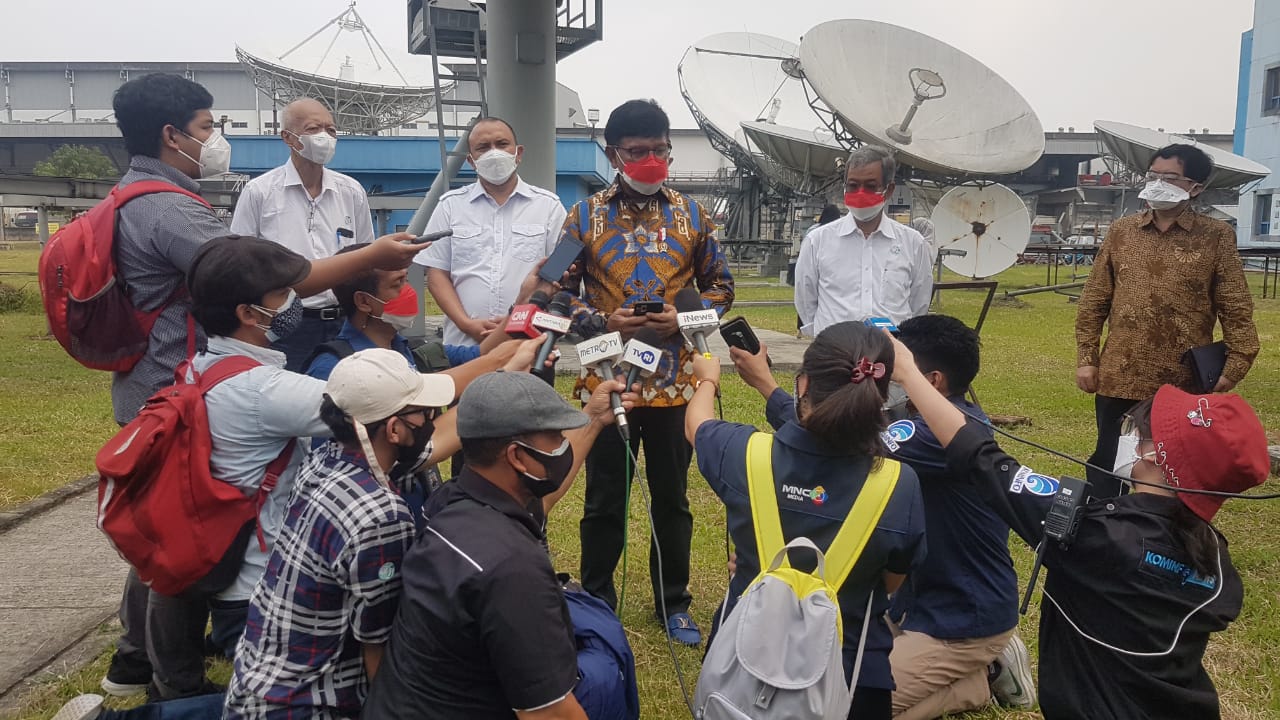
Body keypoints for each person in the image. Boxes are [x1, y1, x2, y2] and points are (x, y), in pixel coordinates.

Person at [103, 74, 425, 700]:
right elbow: (249, 274)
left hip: (206, 368)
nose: (215, 137)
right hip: (204, 376)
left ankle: (158, 669)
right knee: (184, 527)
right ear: (172, 135)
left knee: (182, 519)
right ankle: (169, 681)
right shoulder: (176, 208)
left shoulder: (159, 196)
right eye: (205, 127)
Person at [891, 334, 1267, 720]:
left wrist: (906, 372)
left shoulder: (1095, 535)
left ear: (1155, 455)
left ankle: (978, 683)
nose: (1131, 434)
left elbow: (980, 458)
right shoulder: (1216, 563)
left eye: (1141, 430)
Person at [731, 314, 1033, 718]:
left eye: (893, 366)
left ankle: (981, 676)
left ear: (932, 380)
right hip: (910, 605)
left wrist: (767, 384)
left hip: (960, 621)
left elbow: (833, 439)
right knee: (814, 681)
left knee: (843, 704)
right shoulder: (925, 422)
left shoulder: (936, 438)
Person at [559, 99, 735, 645]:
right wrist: (597, 320)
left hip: (678, 383)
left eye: (660, 149)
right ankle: (596, 599)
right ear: (613, 154)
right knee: (603, 498)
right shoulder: (582, 217)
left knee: (672, 498)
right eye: (638, 152)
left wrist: (683, 318)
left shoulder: (694, 215)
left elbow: (723, 290)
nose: (652, 160)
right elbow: (551, 292)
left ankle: (673, 601)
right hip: (607, 381)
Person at [362, 370, 636, 719]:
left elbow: (542, 502)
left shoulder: (450, 502)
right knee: (602, 667)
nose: (562, 445)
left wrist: (594, 420)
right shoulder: (513, 568)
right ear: (517, 458)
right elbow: (550, 714)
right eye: (554, 436)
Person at [687, 322, 926, 719]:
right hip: (853, 679)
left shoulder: (746, 454)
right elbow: (889, 582)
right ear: (880, 396)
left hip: (741, 666)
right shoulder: (899, 485)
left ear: (802, 384)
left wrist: (708, 382)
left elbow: (697, 427)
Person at [1075, 143, 1258, 499]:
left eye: (1170, 177)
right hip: (1119, 372)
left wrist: (1236, 364)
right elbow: (1095, 299)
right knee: (1107, 459)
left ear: (1195, 187)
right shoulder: (1121, 231)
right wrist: (1087, 358)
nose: (1158, 183)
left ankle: (1162, 534)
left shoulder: (1215, 236)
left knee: (1170, 464)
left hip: (1180, 380)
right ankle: (1102, 532)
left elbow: (1235, 305)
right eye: (1153, 176)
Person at [229, 98, 377, 371]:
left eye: (331, 131)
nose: (325, 137)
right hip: (284, 326)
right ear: (288, 137)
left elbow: (367, 257)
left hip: (344, 324)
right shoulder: (260, 193)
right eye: (313, 129)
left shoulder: (351, 191)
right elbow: (240, 266)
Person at [417, 116, 567, 347]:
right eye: (483, 148)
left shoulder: (549, 207)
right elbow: (437, 274)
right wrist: (466, 323)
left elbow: (559, 276)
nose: (494, 153)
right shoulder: (449, 206)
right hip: (464, 343)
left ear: (518, 153)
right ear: (471, 160)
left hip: (528, 342)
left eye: (502, 144)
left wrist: (521, 319)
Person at [794, 145, 933, 336]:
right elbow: (805, 301)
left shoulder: (913, 243)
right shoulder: (817, 241)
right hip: (834, 354)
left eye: (870, 186)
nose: (860, 192)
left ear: (889, 189)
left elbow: (920, 303)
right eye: (853, 185)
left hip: (892, 354)